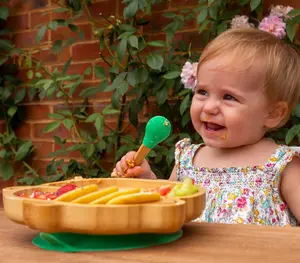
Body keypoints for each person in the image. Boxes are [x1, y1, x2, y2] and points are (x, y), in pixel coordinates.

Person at [112, 28, 300, 226]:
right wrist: (147, 180)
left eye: (229, 97)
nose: (209, 107)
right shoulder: (188, 160)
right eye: (202, 91)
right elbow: (168, 206)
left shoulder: (282, 166)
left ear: (273, 113)